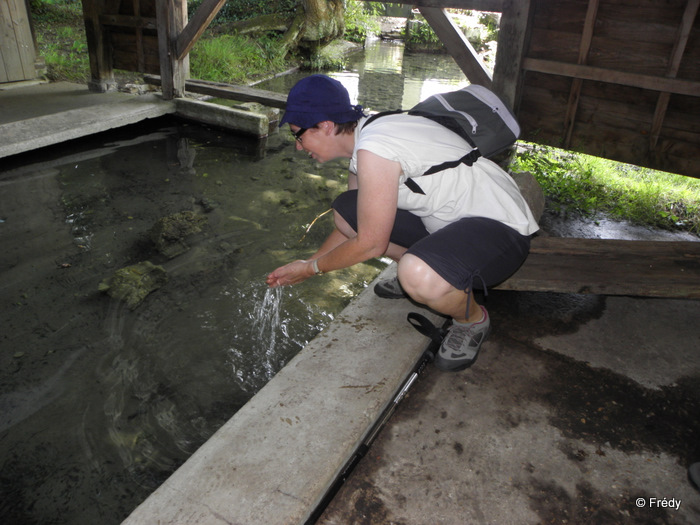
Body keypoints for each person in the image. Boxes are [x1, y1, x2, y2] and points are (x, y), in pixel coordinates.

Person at [267, 74, 539, 371]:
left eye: (298, 135)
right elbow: (354, 227)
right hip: (448, 223)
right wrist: (309, 263)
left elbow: (370, 243)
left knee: (417, 275)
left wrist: (311, 269)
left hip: (500, 230)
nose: (298, 146)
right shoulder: (367, 135)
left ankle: (472, 319)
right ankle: (424, 272)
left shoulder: (375, 150)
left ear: (326, 126)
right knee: (347, 210)